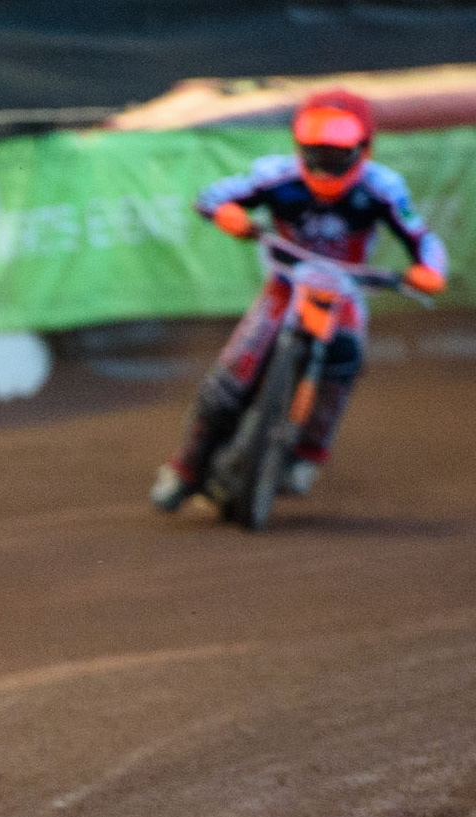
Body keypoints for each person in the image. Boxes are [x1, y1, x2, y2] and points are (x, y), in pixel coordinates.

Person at [150, 89, 448, 511]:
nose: (325, 166)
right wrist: (226, 213)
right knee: (232, 376)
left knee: (345, 358)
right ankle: (186, 469)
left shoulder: (383, 189)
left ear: (363, 149)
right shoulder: (276, 176)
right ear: (299, 148)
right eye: (316, 153)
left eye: (337, 154)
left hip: (345, 291)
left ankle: (308, 454)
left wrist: (431, 270)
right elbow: (212, 195)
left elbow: (422, 238)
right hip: (286, 284)